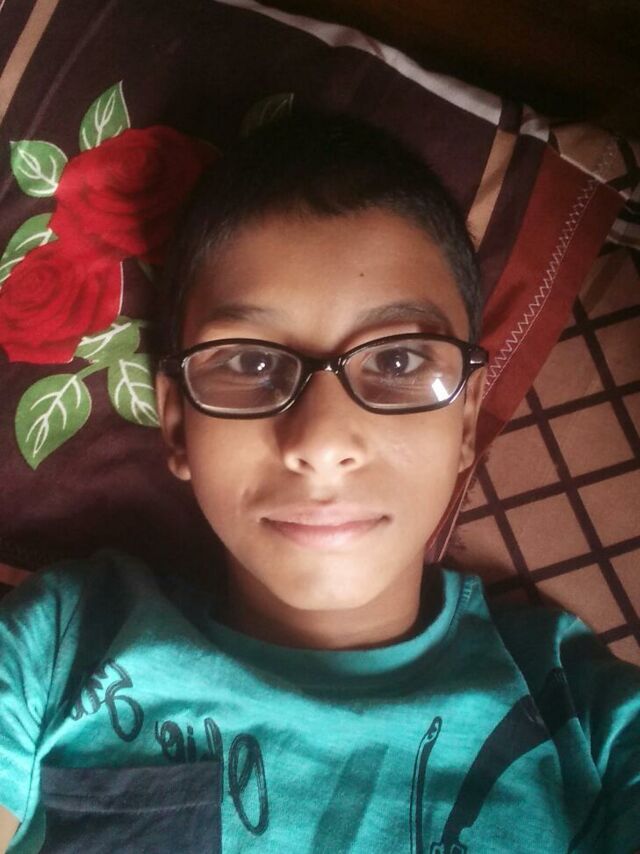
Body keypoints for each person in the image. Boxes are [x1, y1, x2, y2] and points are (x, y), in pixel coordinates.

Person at [0, 106, 638, 854]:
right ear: (176, 424)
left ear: (466, 422)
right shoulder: (63, 648)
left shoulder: (582, 717)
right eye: (248, 362)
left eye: (398, 360)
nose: (322, 443)